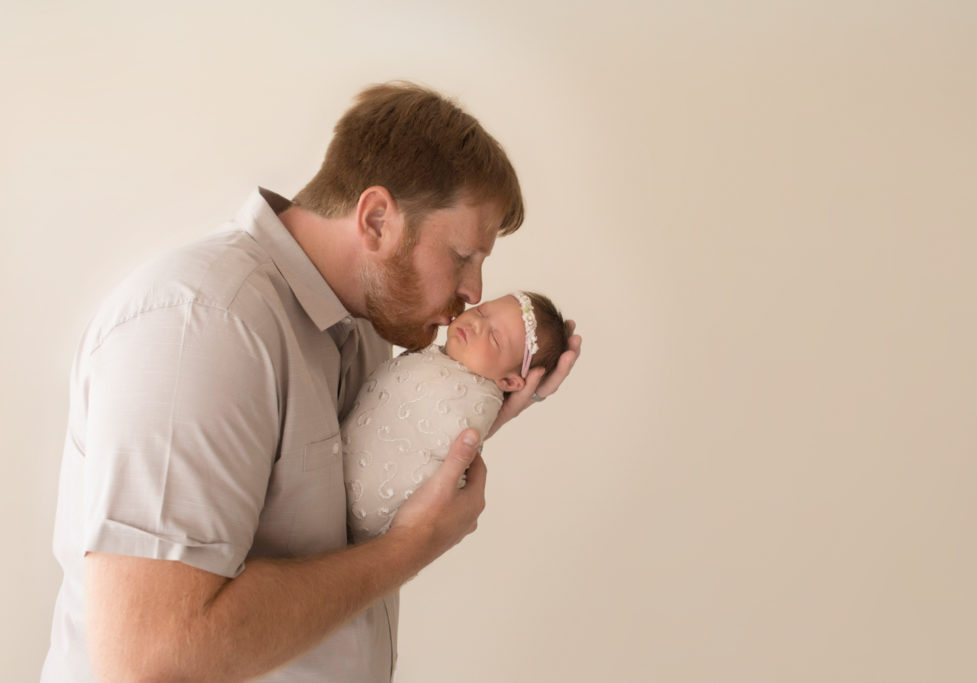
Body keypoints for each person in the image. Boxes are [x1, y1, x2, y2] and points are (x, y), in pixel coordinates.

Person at [42, 82, 581, 682]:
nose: (475, 292)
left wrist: (475, 410)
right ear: (377, 220)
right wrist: (411, 547)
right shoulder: (202, 326)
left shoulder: (371, 326)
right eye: (463, 256)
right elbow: (153, 658)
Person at [344, 291, 571, 542]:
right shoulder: (431, 352)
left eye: (495, 338)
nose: (476, 324)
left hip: (383, 520)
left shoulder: (479, 398)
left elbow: (456, 447)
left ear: (508, 381)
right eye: (482, 311)